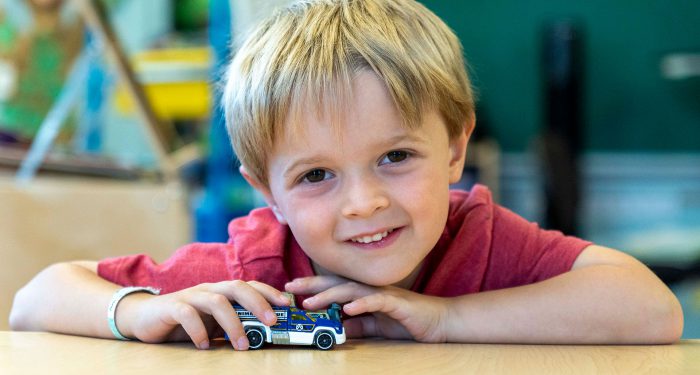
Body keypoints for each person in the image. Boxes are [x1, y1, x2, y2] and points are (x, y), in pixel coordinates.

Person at [10, 0, 682, 350]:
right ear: (265, 190)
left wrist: (445, 319)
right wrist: (138, 309)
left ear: (454, 149)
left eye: (395, 157)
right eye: (315, 176)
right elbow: (36, 299)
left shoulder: (479, 239)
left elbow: (651, 308)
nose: (364, 203)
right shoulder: (257, 266)